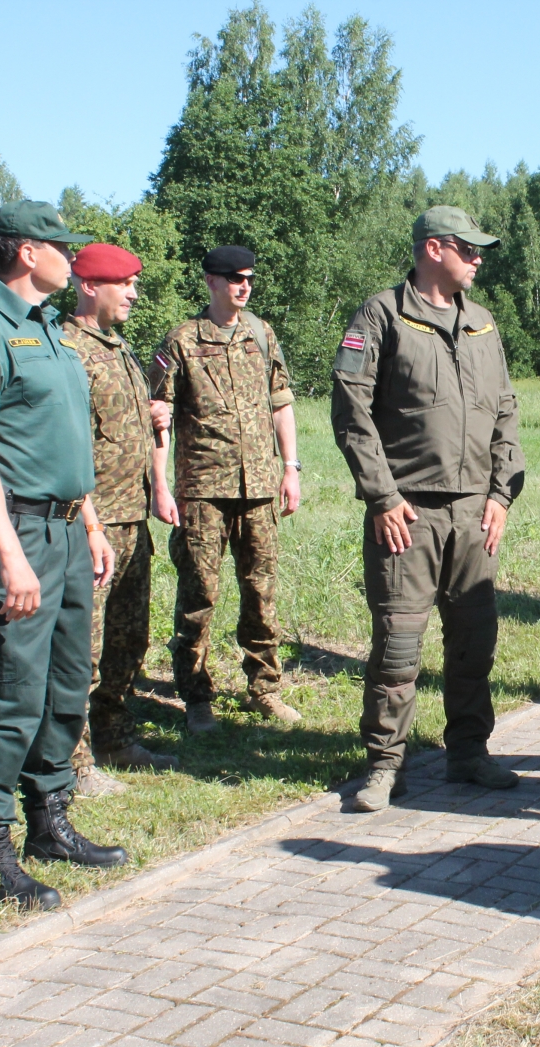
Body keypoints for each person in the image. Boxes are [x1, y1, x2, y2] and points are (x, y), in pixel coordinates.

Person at [0, 200, 130, 910]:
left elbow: (61, 442)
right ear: (24, 252)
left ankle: (50, 821)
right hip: (15, 536)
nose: (70, 258)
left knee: (65, 682)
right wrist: (11, 558)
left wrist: (90, 522)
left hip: (69, 530)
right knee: (9, 696)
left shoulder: (50, 331)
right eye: (60, 246)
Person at [331, 207, 527, 812]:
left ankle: (468, 752)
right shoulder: (383, 314)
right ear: (435, 248)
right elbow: (351, 411)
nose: (479, 258)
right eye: (469, 249)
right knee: (398, 644)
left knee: (474, 638)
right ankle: (387, 764)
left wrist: (500, 495)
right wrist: (382, 496)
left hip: (473, 513)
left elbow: (506, 412)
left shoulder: (483, 324)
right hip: (408, 512)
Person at [152, 246, 302, 733]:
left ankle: (265, 688)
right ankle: (196, 696)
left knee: (261, 592)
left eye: (249, 279)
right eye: (234, 278)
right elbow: (160, 417)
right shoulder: (181, 340)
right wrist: (162, 485)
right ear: (211, 282)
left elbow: (281, 404)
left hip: (258, 486)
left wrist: (291, 468)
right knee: (199, 595)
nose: (244, 286)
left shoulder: (261, 334)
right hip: (202, 490)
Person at [63, 243, 181, 798]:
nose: (134, 293)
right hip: (91, 522)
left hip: (131, 518)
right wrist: (87, 522)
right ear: (89, 286)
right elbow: (67, 446)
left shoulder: (119, 348)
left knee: (127, 642)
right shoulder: (68, 351)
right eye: (124, 283)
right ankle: (73, 761)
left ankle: (113, 734)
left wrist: (155, 414)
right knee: (79, 651)